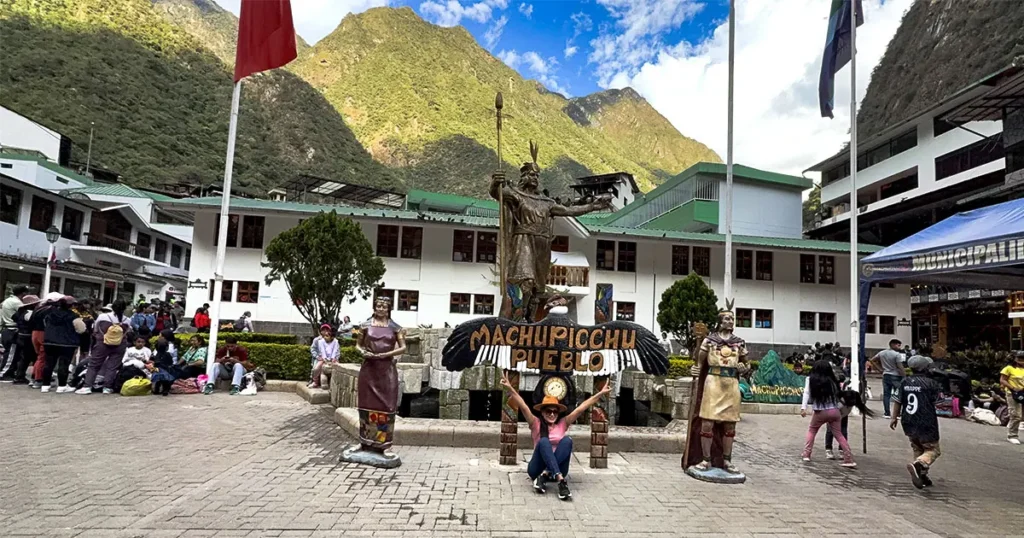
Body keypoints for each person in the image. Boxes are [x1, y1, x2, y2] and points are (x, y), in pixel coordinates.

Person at [500, 371, 611, 500]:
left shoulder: (564, 423)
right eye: (548, 411)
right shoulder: (535, 423)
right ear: (542, 412)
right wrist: (510, 388)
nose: (552, 414)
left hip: (557, 468)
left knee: (567, 441)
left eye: (555, 411)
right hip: (536, 469)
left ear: (558, 413)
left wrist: (600, 394)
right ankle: (560, 481)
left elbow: (582, 408)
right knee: (544, 442)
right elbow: (523, 406)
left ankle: (546, 475)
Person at [339, 297, 407, 467]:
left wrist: (387, 354)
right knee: (366, 406)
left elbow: (403, 347)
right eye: (378, 305)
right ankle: (364, 442)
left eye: (384, 306)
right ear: (374, 307)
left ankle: (381, 446)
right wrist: (363, 352)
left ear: (389, 308)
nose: (381, 308)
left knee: (385, 407)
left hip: (386, 371)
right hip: (369, 369)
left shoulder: (395, 327)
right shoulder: (365, 325)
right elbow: (358, 345)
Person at [890, 355, 942, 489]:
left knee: (918, 447)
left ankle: (922, 475)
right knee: (933, 449)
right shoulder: (931, 383)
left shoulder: (904, 382)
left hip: (908, 421)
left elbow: (897, 401)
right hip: (926, 421)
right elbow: (939, 401)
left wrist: (893, 418)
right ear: (926, 368)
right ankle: (919, 465)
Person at [800, 360, 857, 468]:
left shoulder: (810, 379)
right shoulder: (833, 380)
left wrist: (803, 408)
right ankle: (848, 458)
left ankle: (806, 454)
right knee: (839, 434)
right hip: (834, 411)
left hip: (819, 411)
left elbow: (806, 393)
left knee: (812, 430)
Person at [77, 301, 131, 395]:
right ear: (124, 309)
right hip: (120, 345)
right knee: (112, 367)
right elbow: (128, 332)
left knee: (94, 365)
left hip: (103, 343)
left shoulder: (103, 317)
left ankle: (87, 386)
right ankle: (107, 387)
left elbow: (96, 329)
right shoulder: (127, 320)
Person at [41, 296, 87, 393]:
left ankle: (45, 385)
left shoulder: (50, 314)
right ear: (71, 305)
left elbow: (45, 324)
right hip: (67, 343)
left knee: (48, 364)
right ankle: (61, 386)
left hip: (49, 341)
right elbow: (81, 329)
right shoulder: (74, 316)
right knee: (64, 364)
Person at [28, 293, 62, 388]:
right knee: (43, 358)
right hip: (44, 333)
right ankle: (38, 379)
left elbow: (30, 322)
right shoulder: (51, 310)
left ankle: (34, 377)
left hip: (35, 333)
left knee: (39, 357)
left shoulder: (38, 308)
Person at [869, 338, 905, 419]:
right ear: (893, 345)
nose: (899, 347)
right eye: (898, 345)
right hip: (896, 376)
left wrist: (880, 370)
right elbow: (900, 367)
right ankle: (898, 414)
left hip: (886, 375)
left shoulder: (882, 353)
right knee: (899, 395)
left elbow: (872, 360)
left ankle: (887, 413)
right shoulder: (897, 355)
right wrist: (904, 376)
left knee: (886, 395)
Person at [0, 284, 30, 381]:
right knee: (11, 353)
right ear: (23, 293)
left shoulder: (6, 301)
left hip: (6, 328)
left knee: (11, 353)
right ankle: (4, 373)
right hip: (13, 329)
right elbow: (26, 315)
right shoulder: (17, 303)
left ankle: (10, 372)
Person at [10, 295, 41, 385]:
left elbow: (14, 318)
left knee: (23, 357)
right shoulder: (30, 313)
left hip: (20, 336)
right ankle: (31, 376)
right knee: (30, 357)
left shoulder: (20, 312)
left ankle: (20, 376)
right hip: (28, 337)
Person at [999, 350, 1024, 445]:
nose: (1021, 361)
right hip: (1012, 393)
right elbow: (1003, 380)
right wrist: (1013, 388)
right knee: (1016, 415)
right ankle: (1012, 435)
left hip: (1023, 392)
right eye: (1019, 358)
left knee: (1020, 416)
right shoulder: (1009, 368)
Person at [309, 323, 340, 389]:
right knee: (316, 368)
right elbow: (320, 351)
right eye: (323, 330)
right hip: (322, 358)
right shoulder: (319, 341)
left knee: (338, 368)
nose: (325, 332)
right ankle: (315, 381)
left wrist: (334, 358)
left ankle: (337, 383)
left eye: (327, 330)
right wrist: (321, 358)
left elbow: (336, 351)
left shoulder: (335, 341)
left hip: (332, 359)